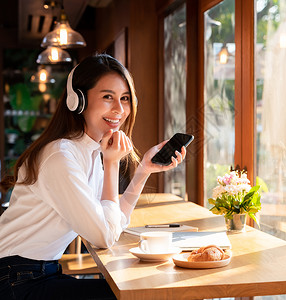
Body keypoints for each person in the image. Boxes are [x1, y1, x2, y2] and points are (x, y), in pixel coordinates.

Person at [0, 53, 186, 299]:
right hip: (17, 279)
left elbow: (111, 223)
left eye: (125, 98)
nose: (119, 109)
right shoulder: (61, 157)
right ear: (78, 100)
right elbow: (104, 236)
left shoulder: (89, 151)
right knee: (138, 294)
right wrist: (111, 164)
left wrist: (143, 171)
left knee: (144, 289)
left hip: (40, 272)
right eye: (108, 97)